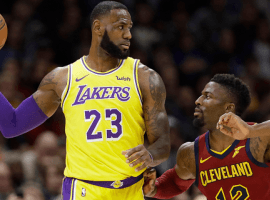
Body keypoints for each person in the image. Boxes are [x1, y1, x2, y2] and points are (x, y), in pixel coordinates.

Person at [0, 1, 170, 200]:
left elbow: (163, 143)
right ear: (97, 27)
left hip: (130, 190)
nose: (128, 35)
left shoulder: (146, 78)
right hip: (82, 191)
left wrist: (150, 155)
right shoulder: (62, 79)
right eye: (120, 27)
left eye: (129, 28)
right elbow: (12, 125)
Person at [143, 74, 270, 200]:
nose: (198, 100)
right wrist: (155, 189)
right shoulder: (191, 153)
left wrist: (251, 131)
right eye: (200, 95)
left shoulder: (259, 139)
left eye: (207, 96)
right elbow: (175, 183)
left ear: (228, 108)